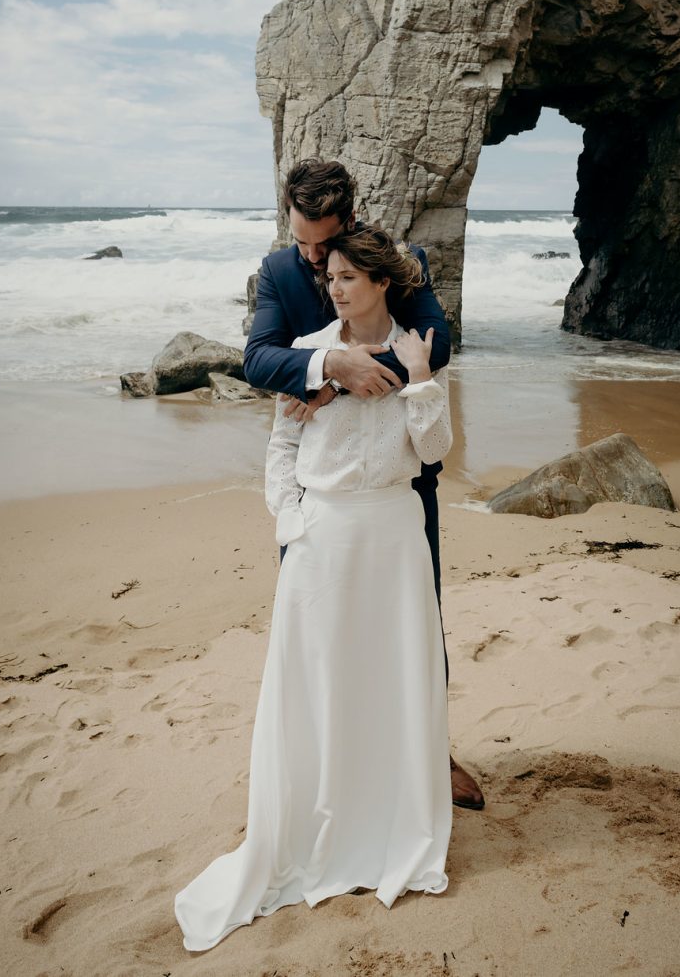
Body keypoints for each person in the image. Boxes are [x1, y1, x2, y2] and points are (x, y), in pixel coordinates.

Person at [175, 226, 453, 951]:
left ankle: (390, 827)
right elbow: (282, 446)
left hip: (393, 538)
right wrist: (293, 524)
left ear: (382, 282)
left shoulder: (417, 348)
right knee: (316, 684)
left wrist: (421, 381)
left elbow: (433, 452)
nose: (334, 287)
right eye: (328, 276)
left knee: (389, 683)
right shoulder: (308, 354)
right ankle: (318, 828)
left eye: (347, 277)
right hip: (322, 538)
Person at [243, 158, 484, 811]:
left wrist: (344, 378)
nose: (316, 260)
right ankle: (321, 762)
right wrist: (324, 364)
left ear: (349, 219)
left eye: (325, 243)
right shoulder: (277, 272)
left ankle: (431, 749)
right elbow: (258, 358)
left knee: (414, 620)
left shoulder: (395, 260)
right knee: (317, 632)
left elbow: (436, 347)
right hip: (319, 488)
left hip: (397, 481)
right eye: (304, 243)